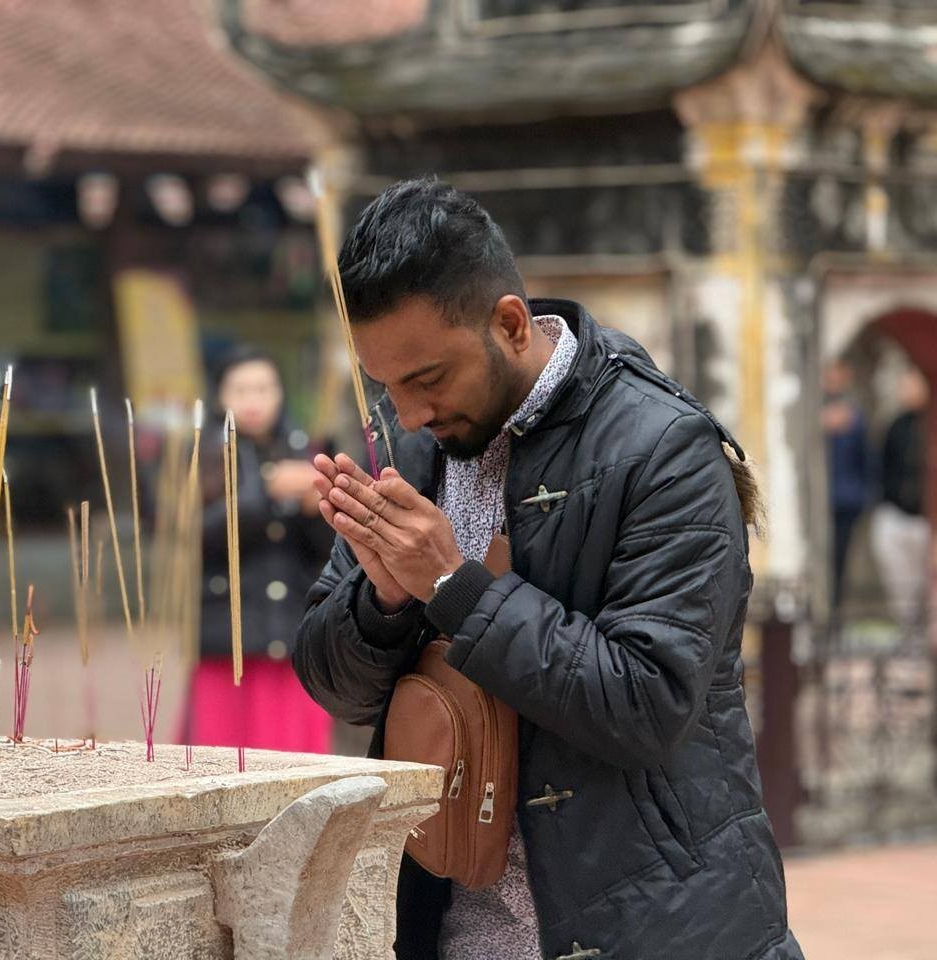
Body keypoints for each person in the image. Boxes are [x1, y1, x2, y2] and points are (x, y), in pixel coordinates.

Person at [294, 178, 801, 960]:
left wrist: (454, 588)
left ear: (509, 323)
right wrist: (383, 604)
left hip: (659, 923)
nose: (409, 412)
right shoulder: (410, 451)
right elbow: (340, 691)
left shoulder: (664, 450)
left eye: (427, 378)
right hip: (450, 927)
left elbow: (647, 703)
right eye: (384, 385)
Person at [183, 346, 334, 752]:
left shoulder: (304, 447)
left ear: (280, 393)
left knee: (293, 761)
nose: (253, 400)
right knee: (217, 757)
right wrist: (268, 490)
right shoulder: (202, 452)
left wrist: (313, 508)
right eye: (241, 389)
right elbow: (195, 536)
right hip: (222, 635)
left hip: (291, 632)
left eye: (264, 388)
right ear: (220, 396)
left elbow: (328, 551)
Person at [870, 368, 929, 633]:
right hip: (895, 513)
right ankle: (909, 635)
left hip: (926, 520)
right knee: (901, 587)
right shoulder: (896, 424)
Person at [822, 358, 870, 612]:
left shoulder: (854, 416)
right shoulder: (813, 411)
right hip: (820, 501)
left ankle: (834, 614)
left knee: (839, 562)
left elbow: (864, 460)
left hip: (845, 499)